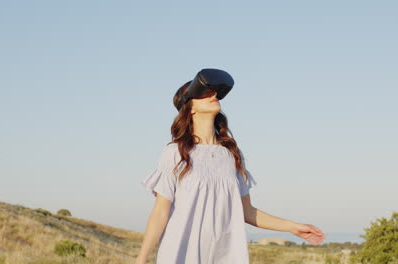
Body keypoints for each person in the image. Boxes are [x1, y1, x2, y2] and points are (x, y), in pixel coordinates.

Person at [135, 69, 325, 263]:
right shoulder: (175, 152)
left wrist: (293, 227)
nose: (214, 95)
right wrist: (141, 259)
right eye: (204, 93)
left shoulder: (232, 155)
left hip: (224, 255)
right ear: (190, 108)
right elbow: (160, 213)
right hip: (182, 255)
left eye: (215, 92)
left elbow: (247, 212)